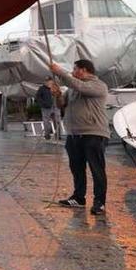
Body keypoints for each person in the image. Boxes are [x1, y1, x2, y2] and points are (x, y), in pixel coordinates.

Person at [51, 59, 110, 215]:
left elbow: (81, 87)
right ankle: (78, 197)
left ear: (84, 70)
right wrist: (57, 95)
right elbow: (61, 104)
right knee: (76, 168)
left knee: (97, 169)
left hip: (93, 133)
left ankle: (100, 202)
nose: (72, 71)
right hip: (74, 134)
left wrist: (60, 72)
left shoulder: (98, 85)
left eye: (75, 69)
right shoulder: (72, 89)